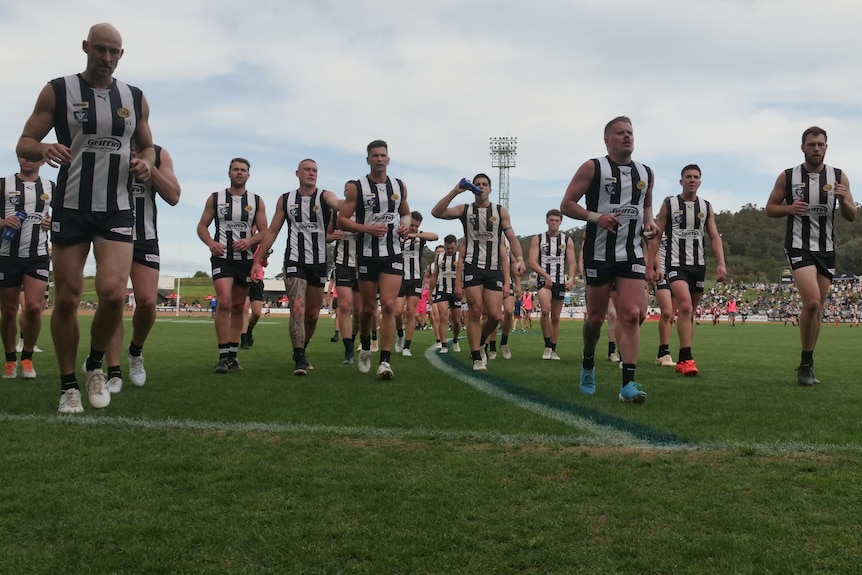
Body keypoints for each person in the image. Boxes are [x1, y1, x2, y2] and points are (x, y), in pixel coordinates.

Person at [17, 23, 156, 414]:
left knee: (113, 295)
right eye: (99, 50)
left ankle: (94, 365)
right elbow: (23, 141)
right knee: (67, 298)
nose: (106, 58)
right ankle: (67, 387)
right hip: (71, 207)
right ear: (85, 48)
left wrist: (145, 165)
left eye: (113, 51)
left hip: (116, 207)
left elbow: (146, 147)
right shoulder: (58, 90)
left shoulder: (134, 97)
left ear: (121, 55)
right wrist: (43, 148)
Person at [560, 115, 658, 403]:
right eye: (619, 133)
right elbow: (566, 204)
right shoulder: (593, 167)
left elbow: (647, 205)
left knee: (631, 314)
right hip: (599, 252)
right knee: (595, 318)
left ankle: (628, 383)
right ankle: (588, 361)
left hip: (631, 253)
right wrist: (595, 217)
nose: (626, 136)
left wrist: (649, 224)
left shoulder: (646, 172)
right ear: (607, 140)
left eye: (630, 132)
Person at [766, 126, 856, 386]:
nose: (816, 148)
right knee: (813, 302)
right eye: (811, 144)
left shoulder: (838, 177)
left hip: (826, 250)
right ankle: (805, 365)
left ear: (826, 147)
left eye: (820, 144)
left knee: (818, 310)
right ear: (803, 147)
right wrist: (789, 209)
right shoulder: (788, 176)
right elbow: (769, 209)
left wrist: (845, 200)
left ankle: (808, 362)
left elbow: (852, 216)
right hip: (798, 246)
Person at [252, 158, 340, 376]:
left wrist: (345, 202)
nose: (311, 173)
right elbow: (272, 231)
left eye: (315, 171)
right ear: (297, 173)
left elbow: (335, 202)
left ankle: (302, 349)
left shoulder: (325, 196)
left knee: (311, 315)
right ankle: (299, 356)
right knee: (297, 309)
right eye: (307, 170)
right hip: (294, 261)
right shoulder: (286, 199)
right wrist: (258, 260)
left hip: (319, 263)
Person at [104, 144, 181, 392]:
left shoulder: (159, 153)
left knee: (147, 302)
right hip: (111, 233)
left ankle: (135, 351)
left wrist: (149, 167)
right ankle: (113, 371)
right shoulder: (109, 143)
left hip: (145, 237)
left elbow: (174, 196)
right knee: (114, 300)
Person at [432, 174, 525, 371]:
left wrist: (519, 259)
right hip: (473, 267)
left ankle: (481, 341)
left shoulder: (499, 211)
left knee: (495, 316)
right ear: (472, 188)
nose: (481, 187)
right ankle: (476, 357)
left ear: (490, 189)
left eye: (485, 184)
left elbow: (512, 237)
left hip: (493, 269)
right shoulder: (465, 210)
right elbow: (436, 212)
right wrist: (456, 191)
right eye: (477, 185)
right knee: (474, 311)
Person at [337, 140, 411, 379]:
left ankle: (385, 362)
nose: (379, 159)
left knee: (389, 305)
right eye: (375, 156)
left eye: (383, 155)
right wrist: (367, 229)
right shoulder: (357, 187)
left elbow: (406, 213)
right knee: (368, 309)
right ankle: (366, 346)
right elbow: (342, 220)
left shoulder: (399, 186)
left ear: (388, 159)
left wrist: (405, 226)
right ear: (368, 159)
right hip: (367, 253)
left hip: (393, 253)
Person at [652, 164, 727, 377]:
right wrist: (652, 263)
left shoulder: (706, 206)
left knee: (689, 312)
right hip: (675, 264)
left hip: (699, 265)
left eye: (695, 177)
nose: (692, 180)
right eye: (688, 177)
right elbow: (657, 235)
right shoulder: (670, 203)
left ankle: (683, 357)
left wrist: (721, 263)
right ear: (681, 181)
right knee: (684, 306)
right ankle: (686, 358)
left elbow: (713, 236)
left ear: (700, 182)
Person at [196, 157, 267, 374]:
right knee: (224, 302)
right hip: (222, 257)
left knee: (238, 307)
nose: (239, 173)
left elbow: (265, 232)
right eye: (235, 169)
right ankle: (222, 355)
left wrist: (250, 241)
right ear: (229, 173)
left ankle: (233, 354)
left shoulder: (256, 200)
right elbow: (201, 226)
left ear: (248, 175)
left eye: (243, 170)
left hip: (244, 260)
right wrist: (210, 243)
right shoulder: (215, 198)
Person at [0, 156, 53, 380]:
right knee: (9, 311)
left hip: (38, 255)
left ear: (42, 160)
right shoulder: (4, 184)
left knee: (33, 307)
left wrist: (51, 222)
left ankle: (28, 357)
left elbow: (62, 216)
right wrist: (2, 223)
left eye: (32, 157)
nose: (26, 160)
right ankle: (10, 360)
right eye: (22, 155)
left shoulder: (51, 187)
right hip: (6, 255)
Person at [529, 209, 575, 360]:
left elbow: (572, 262)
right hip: (544, 280)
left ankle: (553, 349)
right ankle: (547, 346)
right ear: (547, 221)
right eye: (551, 220)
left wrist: (572, 278)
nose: (554, 223)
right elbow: (531, 261)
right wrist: (545, 275)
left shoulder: (567, 240)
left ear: (561, 222)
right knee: (545, 310)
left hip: (560, 281)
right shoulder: (538, 239)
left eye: (556, 220)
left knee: (555, 317)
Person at [395, 211, 438, 356]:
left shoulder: (419, 236)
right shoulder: (398, 234)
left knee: (411, 313)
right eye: (411, 225)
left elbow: (435, 236)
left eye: (416, 226)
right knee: (397, 312)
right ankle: (400, 334)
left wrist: (415, 235)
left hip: (415, 279)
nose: (413, 228)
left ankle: (407, 346)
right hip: (399, 278)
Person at [428, 235, 463, 354]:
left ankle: (455, 340)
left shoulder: (460, 256)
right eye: (448, 248)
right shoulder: (439, 257)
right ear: (445, 245)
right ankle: (443, 344)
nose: (450, 250)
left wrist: (465, 292)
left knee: (457, 320)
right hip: (442, 289)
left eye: (452, 248)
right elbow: (434, 275)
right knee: (443, 316)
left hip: (456, 290)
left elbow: (464, 274)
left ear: (455, 245)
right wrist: (429, 293)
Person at [240, 247, 270, 349]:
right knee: (244, 309)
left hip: (257, 279)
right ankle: (243, 340)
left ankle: (249, 330)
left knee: (257, 313)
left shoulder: (261, 246)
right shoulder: (245, 244)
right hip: (245, 278)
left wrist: (265, 256)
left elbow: (264, 264)